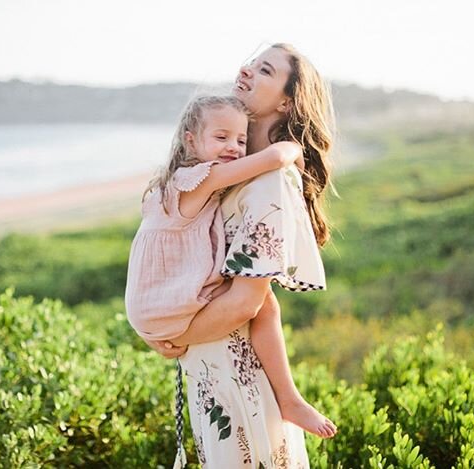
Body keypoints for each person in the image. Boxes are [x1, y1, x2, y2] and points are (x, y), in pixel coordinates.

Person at [142, 43, 336, 468]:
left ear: (287, 102)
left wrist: (172, 337)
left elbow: (248, 301)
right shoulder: (228, 168)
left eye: (264, 69)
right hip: (210, 365)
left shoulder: (267, 182)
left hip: (240, 372)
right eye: (251, 62)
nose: (246, 70)